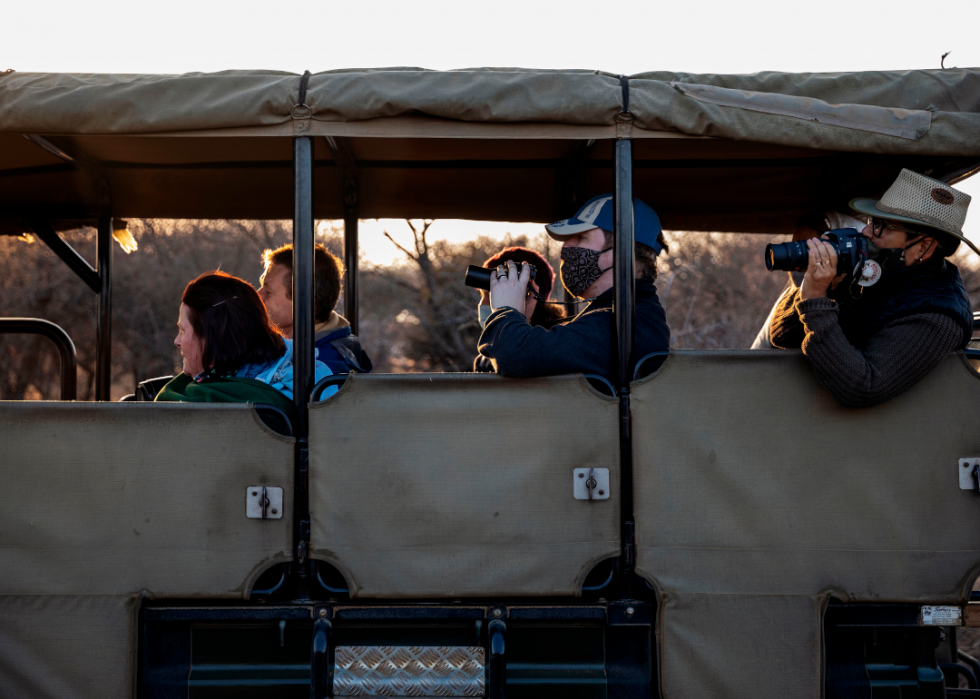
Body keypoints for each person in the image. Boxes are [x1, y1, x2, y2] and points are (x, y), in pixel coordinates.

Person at [768, 169, 975, 408]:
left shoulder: (938, 315)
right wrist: (825, 287)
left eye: (881, 226)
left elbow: (862, 389)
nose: (866, 232)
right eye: (871, 221)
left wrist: (816, 302)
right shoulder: (877, 272)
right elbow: (781, 337)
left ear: (923, 247)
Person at [478, 194, 670, 379]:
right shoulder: (627, 313)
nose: (566, 247)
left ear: (621, 253)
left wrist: (506, 311)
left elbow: (514, 358)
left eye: (580, 238)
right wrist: (519, 323)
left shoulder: (623, 325)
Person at [156, 272, 334, 419]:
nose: (177, 341)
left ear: (212, 337)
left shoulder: (208, 407)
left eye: (182, 330)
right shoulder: (311, 379)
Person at [751, 210, 866, 350]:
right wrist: (813, 291)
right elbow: (779, 337)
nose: (799, 258)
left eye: (809, 248)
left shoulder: (865, 292)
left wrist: (834, 286)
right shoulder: (791, 295)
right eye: (796, 246)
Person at [258, 243, 373, 374]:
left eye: (268, 291)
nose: (258, 296)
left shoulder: (323, 370)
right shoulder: (282, 347)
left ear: (305, 305)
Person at [473, 246, 565, 372]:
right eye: (482, 296)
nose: (482, 303)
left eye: (490, 297)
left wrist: (511, 322)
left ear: (527, 296)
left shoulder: (553, 349)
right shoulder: (484, 359)